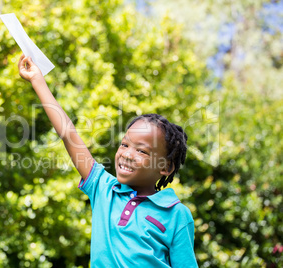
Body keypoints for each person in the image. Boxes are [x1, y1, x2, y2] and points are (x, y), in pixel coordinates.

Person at [18, 54, 198, 267]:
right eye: (124, 144)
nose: (127, 154)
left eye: (142, 151)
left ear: (165, 167)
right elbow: (68, 134)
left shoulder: (176, 215)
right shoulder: (104, 190)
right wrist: (37, 79)